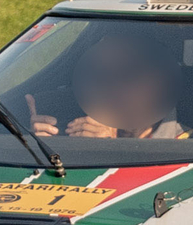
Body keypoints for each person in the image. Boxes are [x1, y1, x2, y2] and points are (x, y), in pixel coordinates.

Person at [35, 27, 182, 140]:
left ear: (161, 80)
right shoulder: (73, 129)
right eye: (102, 75)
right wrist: (38, 147)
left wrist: (112, 148)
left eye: (130, 74)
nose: (114, 87)